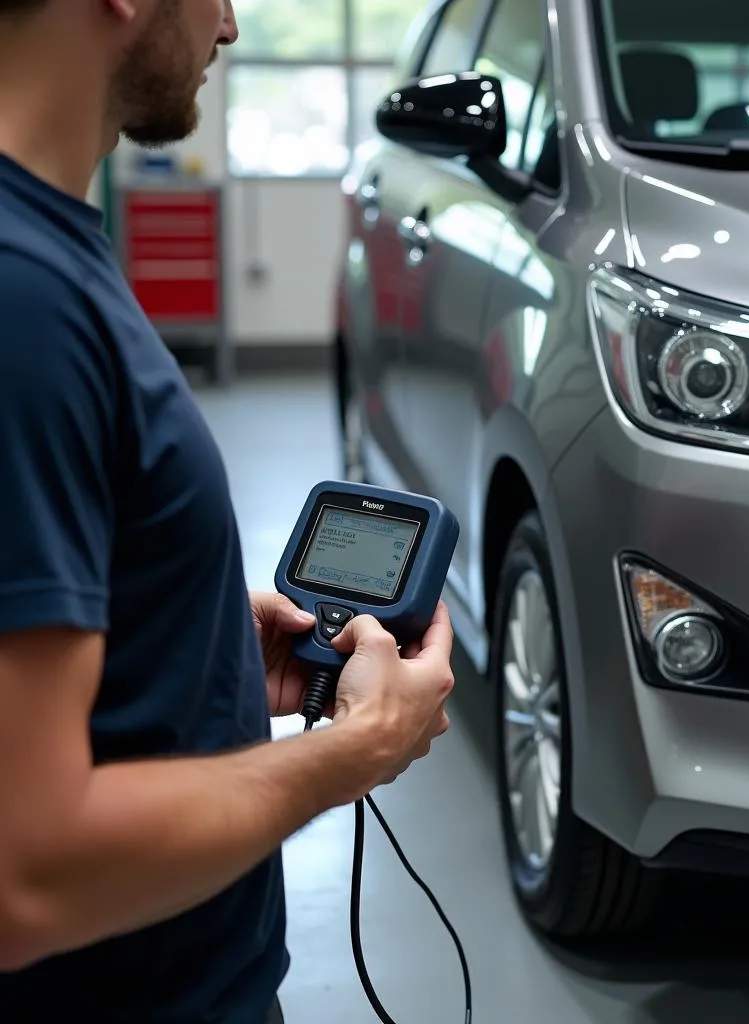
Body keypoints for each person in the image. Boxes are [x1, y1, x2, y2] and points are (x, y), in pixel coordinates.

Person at [0, 1, 456, 1021]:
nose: (231, 26)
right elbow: (25, 872)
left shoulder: (49, 253)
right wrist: (350, 751)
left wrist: (187, 652)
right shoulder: (22, 301)